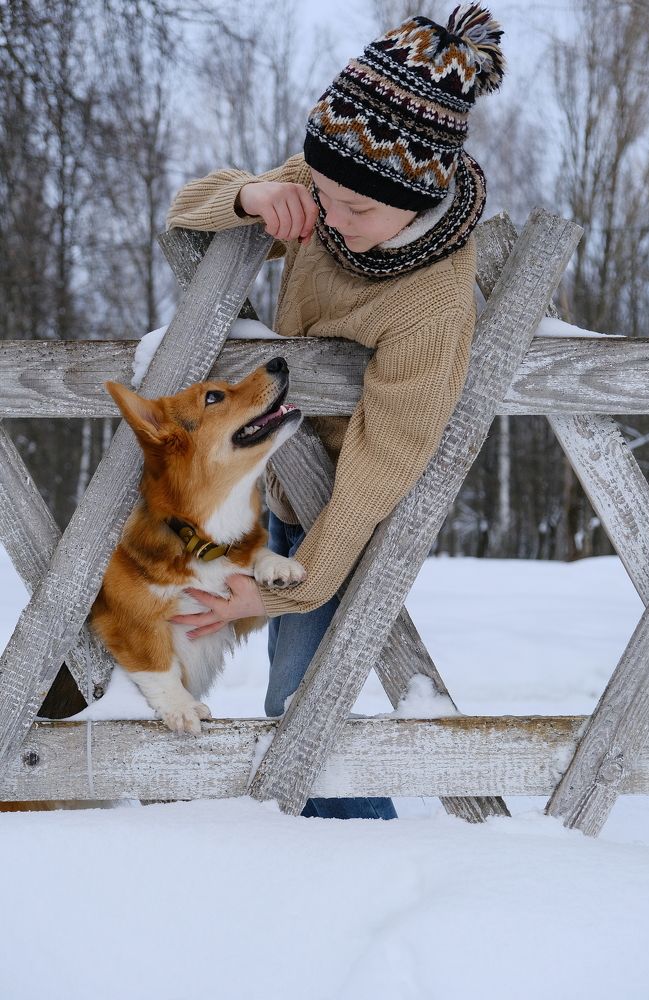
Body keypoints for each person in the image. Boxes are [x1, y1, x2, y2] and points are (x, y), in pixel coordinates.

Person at [166, 6, 504, 819]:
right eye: (323, 189)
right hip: (274, 478)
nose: (331, 217)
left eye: (357, 209)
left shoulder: (431, 303)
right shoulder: (329, 182)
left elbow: (384, 463)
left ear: (415, 197)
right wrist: (251, 196)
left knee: (304, 706)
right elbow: (184, 214)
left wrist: (286, 588)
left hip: (353, 511)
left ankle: (345, 872)